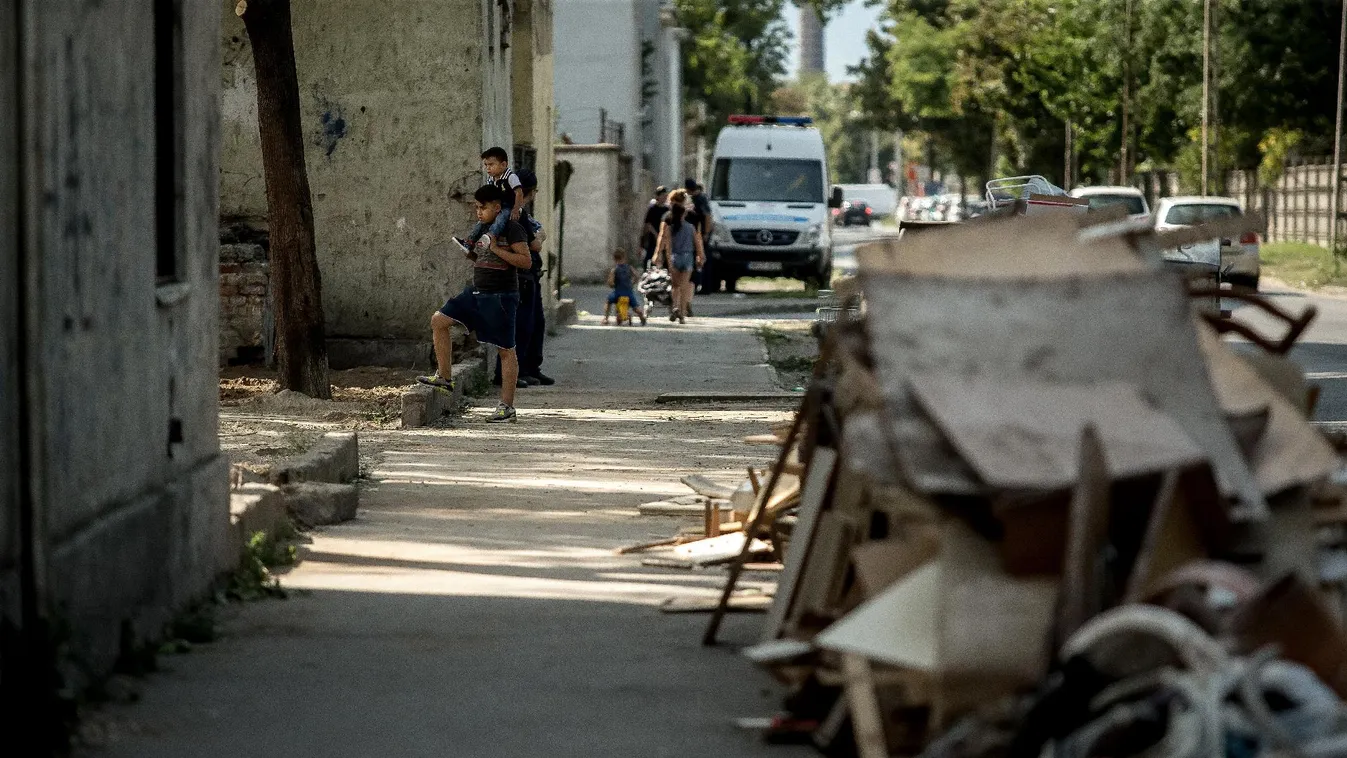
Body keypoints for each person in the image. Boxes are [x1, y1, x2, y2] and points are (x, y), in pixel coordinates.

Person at [419, 184, 531, 423]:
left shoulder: (512, 229)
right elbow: (482, 257)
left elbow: (525, 261)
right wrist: (470, 252)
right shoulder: (483, 229)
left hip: (501, 297)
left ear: (497, 207)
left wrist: (495, 249)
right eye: (477, 208)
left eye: (483, 208)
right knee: (439, 320)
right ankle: (445, 378)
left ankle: (506, 407)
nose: (478, 212)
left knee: (505, 350)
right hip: (476, 292)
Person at [491, 169, 554, 387]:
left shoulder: (521, 214)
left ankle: (529, 368)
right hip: (520, 276)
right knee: (520, 325)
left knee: (534, 323)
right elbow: (535, 244)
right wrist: (540, 236)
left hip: (529, 276)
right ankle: (510, 373)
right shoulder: (515, 215)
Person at [460, 147, 528, 250]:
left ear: (503, 165)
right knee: (481, 221)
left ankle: (490, 237)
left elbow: (519, 193)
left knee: (501, 219)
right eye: (486, 165)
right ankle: (469, 242)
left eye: (491, 165)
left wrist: (515, 209)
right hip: (497, 206)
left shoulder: (510, 177)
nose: (488, 168)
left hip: (508, 206)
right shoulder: (491, 179)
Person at [653, 188, 704, 324]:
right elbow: (697, 238)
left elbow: (663, 237)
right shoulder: (693, 217)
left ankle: (676, 307)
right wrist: (701, 255)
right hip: (688, 255)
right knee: (685, 284)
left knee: (675, 285)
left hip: (674, 255)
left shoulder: (667, 217)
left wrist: (658, 254)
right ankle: (683, 308)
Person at [603, 249, 646, 325]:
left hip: (618, 293)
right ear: (624, 257)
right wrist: (632, 283)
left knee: (608, 301)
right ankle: (641, 316)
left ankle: (606, 318)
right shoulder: (629, 267)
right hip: (628, 293)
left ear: (614, 259)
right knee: (635, 307)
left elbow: (610, 282)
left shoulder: (614, 269)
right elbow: (637, 276)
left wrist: (612, 285)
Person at [642, 187, 669, 268]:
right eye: (663, 195)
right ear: (658, 196)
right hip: (653, 240)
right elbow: (648, 224)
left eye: (666, 196)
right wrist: (656, 234)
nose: (665, 197)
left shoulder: (667, 209)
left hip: (664, 239)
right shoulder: (652, 209)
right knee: (649, 259)